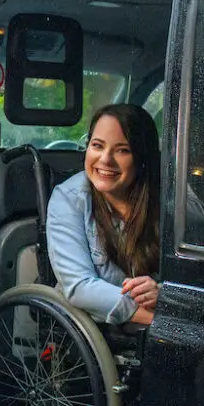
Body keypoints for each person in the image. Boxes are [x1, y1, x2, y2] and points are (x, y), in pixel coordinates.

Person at [46, 104, 160, 325]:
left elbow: (197, 277)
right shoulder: (69, 198)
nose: (106, 159)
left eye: (122, 150)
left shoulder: (170, 199)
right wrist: (159, 322)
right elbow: (80, 287)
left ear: (142, 157)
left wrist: (162, 293)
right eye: (97, 146)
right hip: (98, 326)